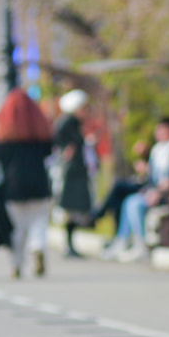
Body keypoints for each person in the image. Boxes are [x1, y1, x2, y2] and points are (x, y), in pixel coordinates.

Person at [104, 116, 169, 261]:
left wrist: (157, 192)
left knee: (134, 203)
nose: (159, 133)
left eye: (163, 130)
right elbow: (152, 177)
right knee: (129, 201)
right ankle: (122, 241)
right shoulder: (158, 149)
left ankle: (141, 244)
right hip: (155, 190)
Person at [0, 88, 54, 279]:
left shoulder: (4, 135)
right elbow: (49, 151)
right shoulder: (39, 132)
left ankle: (16, 264)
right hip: (39, 183)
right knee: (39, 221)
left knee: (18, 227)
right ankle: (38, 246)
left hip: (14, 185)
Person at [53, 89, 93, 258]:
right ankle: (68, 245)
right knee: (70, 209)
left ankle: (70, 244)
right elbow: (63, 143)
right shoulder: (68, 122)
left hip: (75, 170)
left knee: (74, 210)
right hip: (72, 172)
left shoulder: (71, 122)